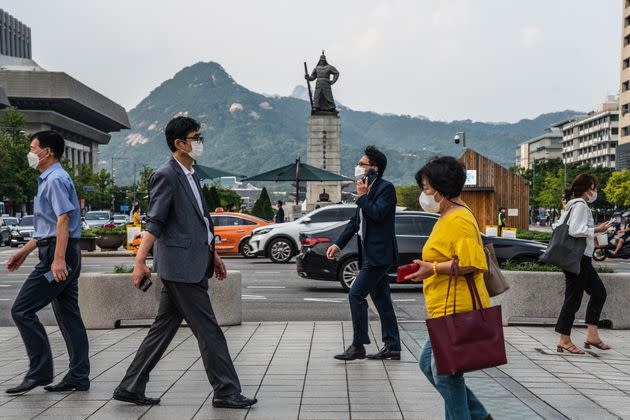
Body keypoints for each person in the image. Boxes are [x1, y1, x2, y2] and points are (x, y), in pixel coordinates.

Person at [113, 117, 256, 408]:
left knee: (163, 327)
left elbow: (199, 222)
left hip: (191, 262)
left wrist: (212, 254)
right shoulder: (166, 175)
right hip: (180, 267)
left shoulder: (191, 174)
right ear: (179, 143)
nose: (199, 142)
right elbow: (155, 222)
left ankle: (130, 385)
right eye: (195, 137)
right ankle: (226, 391)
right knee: (209, 329)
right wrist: (140, 261)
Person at [404, 156, 491, 420]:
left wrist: (433, 269)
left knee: (446, 373)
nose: (424, 193)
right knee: (430, 366)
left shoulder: (459, 219)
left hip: (457, 307)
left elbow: (472, 263)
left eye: (427, 188)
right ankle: (479, 415)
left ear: (442, 188)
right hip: (443, 306)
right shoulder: (447, 215)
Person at [5, 130, 90, 394]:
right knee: (68, 315)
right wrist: (24, 251)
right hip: (60, 251)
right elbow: (49, 228)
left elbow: (63, 220)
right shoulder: (52, 178)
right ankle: (78, 375)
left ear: (47, 151)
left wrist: (58, 261)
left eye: (33, 148)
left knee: (22, 309)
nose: (30, 153)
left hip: (58, 256)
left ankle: (39, 371)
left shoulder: (54, 179)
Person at [326, 145, 401, 361]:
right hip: (369, 254)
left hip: (379, 255)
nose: (358, 167)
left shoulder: (386, 189)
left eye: (362, 164)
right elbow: (355, 222)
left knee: (356, 294)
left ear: (374, 168)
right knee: (382, 301)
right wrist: (338, 244)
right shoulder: (365, 189)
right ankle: (393, 346)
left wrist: (362, 197)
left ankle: (358, 345)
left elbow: (377, 214)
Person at [554, 174, 611, 354]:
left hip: (582, 258)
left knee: (599, 292)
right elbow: (576, 230)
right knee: (573, 299)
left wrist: (593, 235)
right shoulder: (580, 205)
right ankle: (564, 339)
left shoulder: (574, 205)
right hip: (577, 258)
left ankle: (592, 335)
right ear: (587, 188)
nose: (595, 191)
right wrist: (597, 229)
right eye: (594, 187)